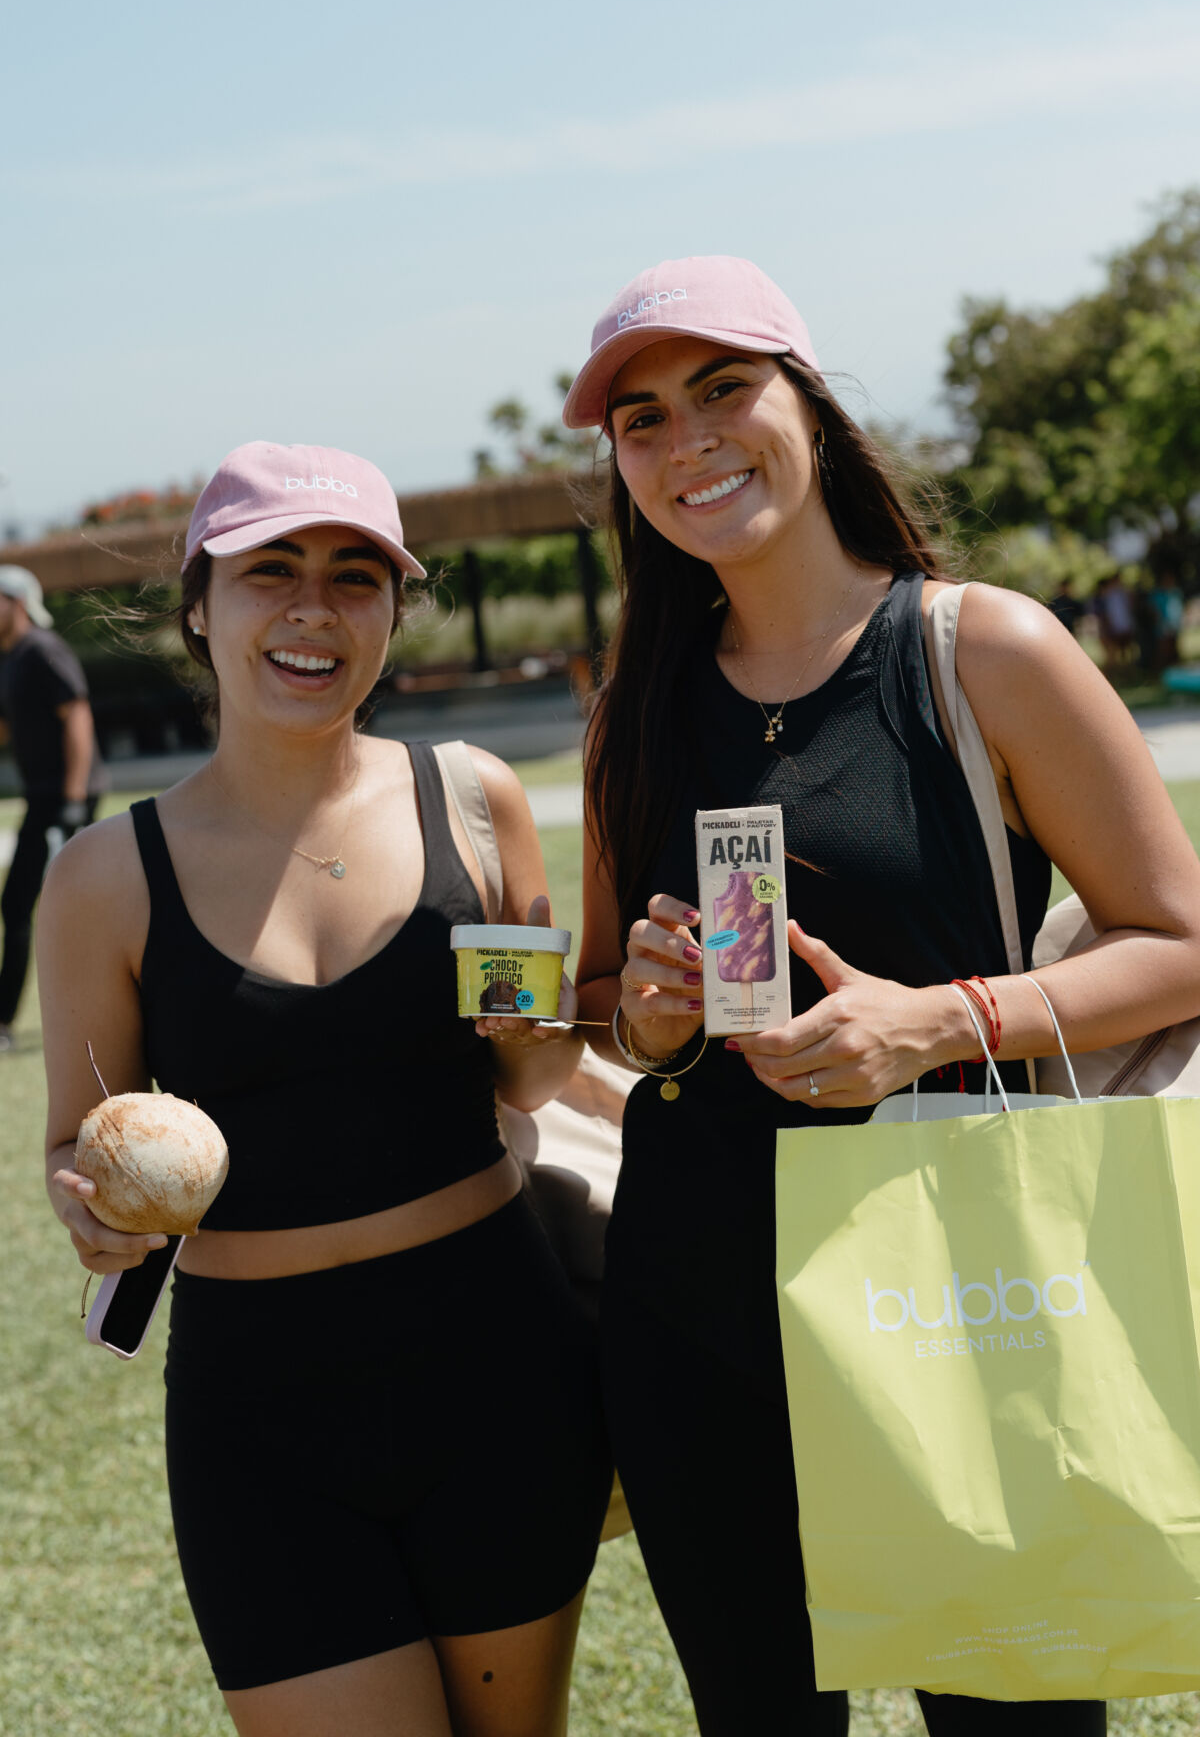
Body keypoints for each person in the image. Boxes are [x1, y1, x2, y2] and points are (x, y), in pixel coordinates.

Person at [566, 256, 1200, 1737]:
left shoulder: (983, 650)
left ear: (809, 402)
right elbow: (599, 1004)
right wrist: (644, 1020)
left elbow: (1179, 939)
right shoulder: (627, 713)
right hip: (697, 1314)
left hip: (964, 1292)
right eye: (643, 419)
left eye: (724, 389)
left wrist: (945, 1020)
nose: (688, 442)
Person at [40, 443, 611, 1737]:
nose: (314, 609)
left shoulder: (474, 798)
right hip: (261, 1409)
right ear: (201, 606)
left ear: (393, 613)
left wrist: (563, 1002)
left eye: (357, 578)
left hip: (501, 1366)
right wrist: (90, 1209)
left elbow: (533, 1071)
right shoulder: (103, 879)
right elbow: (83, 1137)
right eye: (271, 574)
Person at [0, 564, 107, 1051]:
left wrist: (73, 800)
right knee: (18, 905)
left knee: (73, 910)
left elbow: (78, 718)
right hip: (42, 798)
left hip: (64, 801)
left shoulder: (43, 650)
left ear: (16, 603)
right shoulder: (10, 658)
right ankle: (4, 1022)